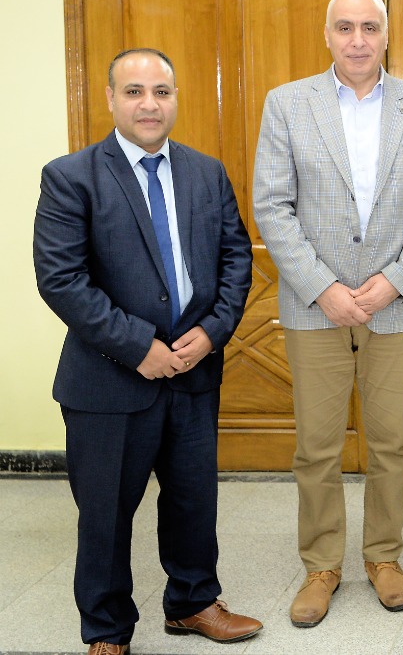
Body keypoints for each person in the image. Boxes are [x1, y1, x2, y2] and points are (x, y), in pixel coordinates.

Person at [34, 49, 260, 655]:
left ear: (175, 98)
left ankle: (193, 603)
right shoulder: (71, 176)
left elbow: (236, 259)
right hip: (109, 380)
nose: (149, 104)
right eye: (134, 91)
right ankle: (107, 629)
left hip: (194, 369)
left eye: (161, 91)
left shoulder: (206, 172)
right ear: (111, 98)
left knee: (193, 501)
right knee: (105, 513)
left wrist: (212, 332)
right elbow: (61, 280)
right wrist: (140, 347)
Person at [253, 0, 403, 628]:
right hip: (315, 305)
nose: (358, 40)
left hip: (396, 303)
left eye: (370, 27)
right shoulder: (287, 104)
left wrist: (394, 281)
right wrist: (323, 287)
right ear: (327, 34)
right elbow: (272, 206)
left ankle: (384, 557)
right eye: (345, 27)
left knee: (391, 443)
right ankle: (321, 565)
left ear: (386, 34)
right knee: (316, 446)